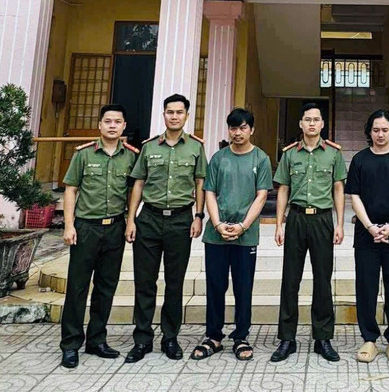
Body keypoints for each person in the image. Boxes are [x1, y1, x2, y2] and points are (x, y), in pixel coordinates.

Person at [124, 94, 207, 363]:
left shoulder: (195, 148)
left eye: (179, 112)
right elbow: (138, 183)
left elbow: (200, 183)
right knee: (144, 281)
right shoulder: (149, 147)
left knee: (174, 282)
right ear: (164, 115)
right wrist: (131, 219)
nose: (174, 116)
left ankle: (170, 337)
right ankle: (142, 339)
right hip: (149, 218)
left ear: (186, 116)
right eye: (170, 112)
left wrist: (198, 216)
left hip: (180, 221)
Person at [59, 105, 138, 369]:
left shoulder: (130, 157)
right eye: (108, 121)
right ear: (100, 125)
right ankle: (71, 344)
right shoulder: (83, 154)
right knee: (77, 287)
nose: (112, 126)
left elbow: (133, 192)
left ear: (124, 126)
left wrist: (130, 221)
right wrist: (69, 225)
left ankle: (97, 339)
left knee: (106, 286)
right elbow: (71, 190)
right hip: (86, 228)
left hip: (114, 228)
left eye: (117, 121)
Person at [190, 108, 272, 363]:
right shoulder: (219, 158)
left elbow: (261, 195)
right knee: (215, 285)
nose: (237, 132)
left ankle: (241, 336)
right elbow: (209, 192)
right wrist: (216, 223)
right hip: (216, 235)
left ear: (251, 130)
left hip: (245, 235)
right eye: (233, 128)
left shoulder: (261, 158)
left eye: (243, 127)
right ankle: (213, 336)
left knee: (243, 287)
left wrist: (243, 226)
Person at [271, 102, 346, 363]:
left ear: (322, 124)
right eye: (307, 119)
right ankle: (287, 338)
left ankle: (322, 338)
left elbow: (338, 188)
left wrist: (340, 224)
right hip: (297, 219)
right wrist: (279, 224)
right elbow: (283, 189)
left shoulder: (333, 154)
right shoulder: (290, 154)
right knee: (290, 279)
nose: (312, 123)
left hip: (323, 220)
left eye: (316, 119)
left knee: (322, 279)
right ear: (301, 124)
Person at [347, 109, 389, 364]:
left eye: (385, 130)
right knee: (366, 286)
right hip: (367, 236)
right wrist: (370, 227)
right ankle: (369, 338)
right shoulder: (360, 160)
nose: (380, 134)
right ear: (369, 132)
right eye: (376, 130)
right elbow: (355, 197)